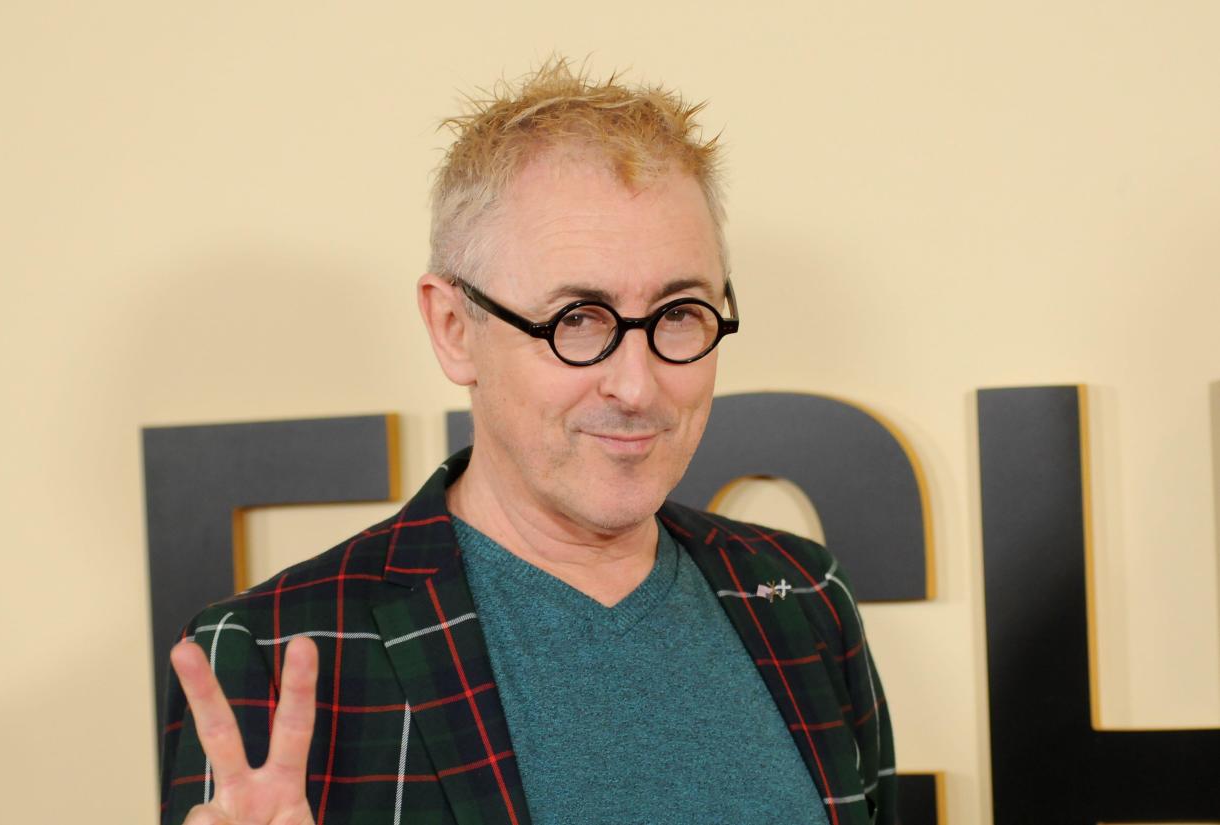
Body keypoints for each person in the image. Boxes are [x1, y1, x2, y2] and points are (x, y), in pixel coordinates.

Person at [161, 60, 895, 825]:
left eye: (679, 312)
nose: (637, 386)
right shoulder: (272, 651)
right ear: (453, 329)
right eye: (577, 319)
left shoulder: (801, 594)